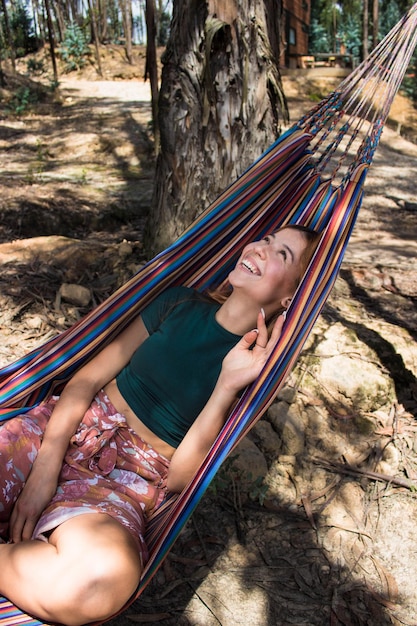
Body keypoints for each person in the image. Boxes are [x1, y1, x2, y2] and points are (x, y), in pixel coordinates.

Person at [0, 224, 319, 626]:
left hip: (124, 486)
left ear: (294, 295)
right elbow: (85, 380)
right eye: (267, 239)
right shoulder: (178, 303)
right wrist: (46, 465)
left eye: (282, 254)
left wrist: (225, 386)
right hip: (64, 430)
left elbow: (181, 481)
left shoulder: (255, 374)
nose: (260, 247)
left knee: (96, 587)